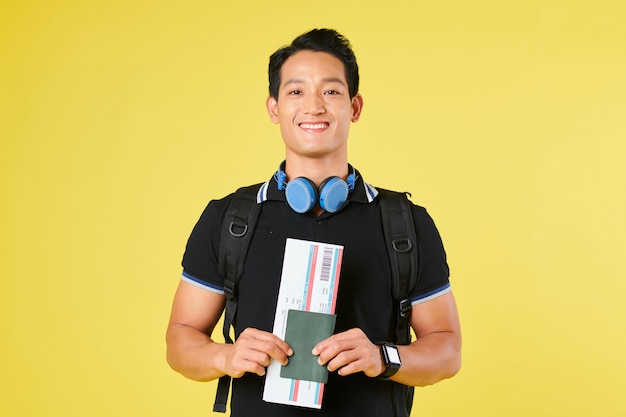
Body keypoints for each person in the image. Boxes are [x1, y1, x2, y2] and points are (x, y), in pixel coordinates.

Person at [166, 28, 461, 417]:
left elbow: (447, 349)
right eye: (296, 91)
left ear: (354, 107)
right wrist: (225, 356)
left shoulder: (404, 223)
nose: (314, 106)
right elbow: (180, 340)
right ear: (274, 108)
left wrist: (382, 357)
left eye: (331, 91)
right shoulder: (229, 219)